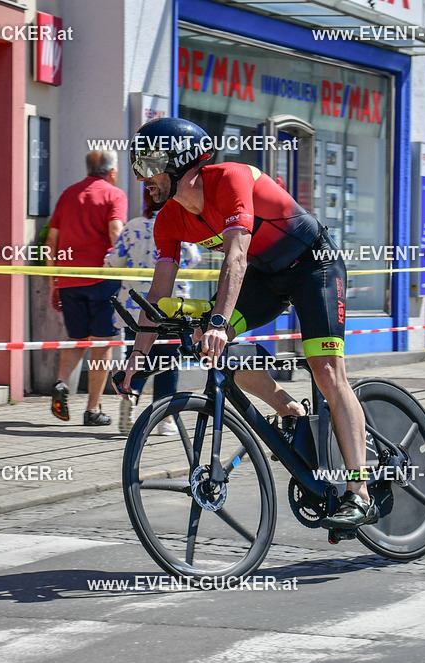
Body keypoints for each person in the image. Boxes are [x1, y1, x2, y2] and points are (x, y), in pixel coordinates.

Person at [117, 117, 375, 530]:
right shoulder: (168, 220)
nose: (141, 177)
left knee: (326, 370)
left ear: (183, 162)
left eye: (150, 166)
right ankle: (289, 410)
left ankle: (359, 491)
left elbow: (236, 257)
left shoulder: (231, 179)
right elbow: (157, 294)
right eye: (137, 166)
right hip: (266, 277)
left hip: (313, 266)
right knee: (209, 345)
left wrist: (220, 320)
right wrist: (137, 357)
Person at [104, 187, 200, 436]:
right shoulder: (180, 224)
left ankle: (129, 401)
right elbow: (193, 259)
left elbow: (112, 262)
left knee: (138, 358)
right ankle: (165, 419)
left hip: (135, 309)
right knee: (168, 364)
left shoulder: (133, 226)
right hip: (170, 307)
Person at [46, 149, 127, 427]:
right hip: (102, 279)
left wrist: (53, 282)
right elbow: (116, 232)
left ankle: (61, 382)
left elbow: (51, 242)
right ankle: (93, 410)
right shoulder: (114, 195)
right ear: (112, 172)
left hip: (68, 279)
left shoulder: (68, 194)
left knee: (77, 338)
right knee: (101, 344)